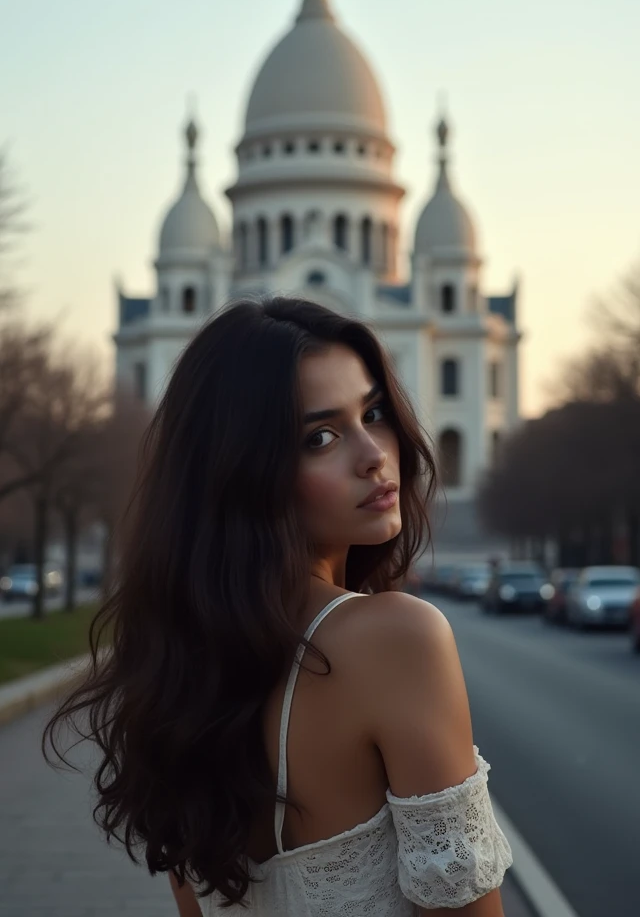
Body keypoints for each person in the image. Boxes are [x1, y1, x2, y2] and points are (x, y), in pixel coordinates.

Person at [43, 296, 512, 916]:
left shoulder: (180, 669)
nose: (373, 453)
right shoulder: (397, 636)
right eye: (320, 436)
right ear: (242, 471)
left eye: (374, 412)